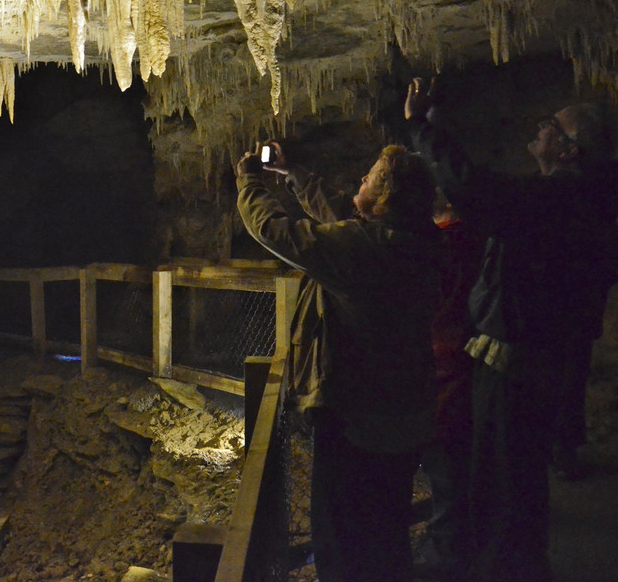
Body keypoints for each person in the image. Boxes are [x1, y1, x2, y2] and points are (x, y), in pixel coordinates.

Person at [404, 79, 618, 582]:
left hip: (517, 361)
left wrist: (419, 129)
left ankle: (508, 568)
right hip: (540, 355)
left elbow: (477, 189)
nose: (540, 128)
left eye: (551, 125)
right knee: (516, 475)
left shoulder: (562, 197)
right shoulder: (583, 196)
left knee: (505, 477)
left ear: (568, 149)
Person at [236, 141, 442, 582]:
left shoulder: (363, 251)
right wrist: (294, 173)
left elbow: (274, 230)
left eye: (370, 178)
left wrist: (249, 181)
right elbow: (347, 220)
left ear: (385, 197)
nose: (361, 180)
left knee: (340, 539)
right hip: (407, 411)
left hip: (356, 418)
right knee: (388, 528)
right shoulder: (421, 241)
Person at [416, 190, 484, 580]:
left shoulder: (443, 245)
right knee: (455, 460)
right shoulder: (475, 239)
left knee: (447, 466)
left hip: (445, 364)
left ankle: (448, 554)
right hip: (461, 360)